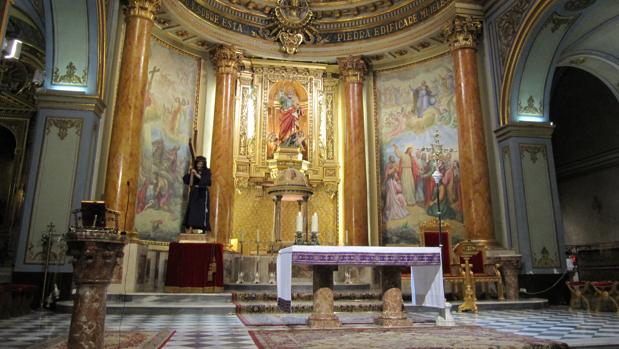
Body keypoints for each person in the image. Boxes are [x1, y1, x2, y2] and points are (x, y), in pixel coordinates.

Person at [182, 156, 211, 233]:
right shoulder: (193, 170)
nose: (199, 166)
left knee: (202, 212)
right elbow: (186, 180)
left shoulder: (207, 171)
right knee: (192, 210)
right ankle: (190, 228)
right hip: (194, 193)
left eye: (201, 164)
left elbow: (207, 182)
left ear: (204, 164)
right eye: (198, 164)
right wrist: (190, 173)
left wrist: (196, 175)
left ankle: (203, 229)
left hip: (203, 194)